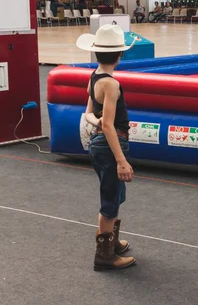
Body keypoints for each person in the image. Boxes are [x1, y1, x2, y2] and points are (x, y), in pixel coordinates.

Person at [76, 24, 137, 272]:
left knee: (113, 193)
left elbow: (88, 114)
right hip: (111, 145)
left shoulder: (94, 77)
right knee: (110, 199)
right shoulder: (111, 84)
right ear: (120, 55)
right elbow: (110, 126)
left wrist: (99, 122)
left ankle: (111, 242)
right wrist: (121, 160)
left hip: (98, 144)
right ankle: (104, 255)